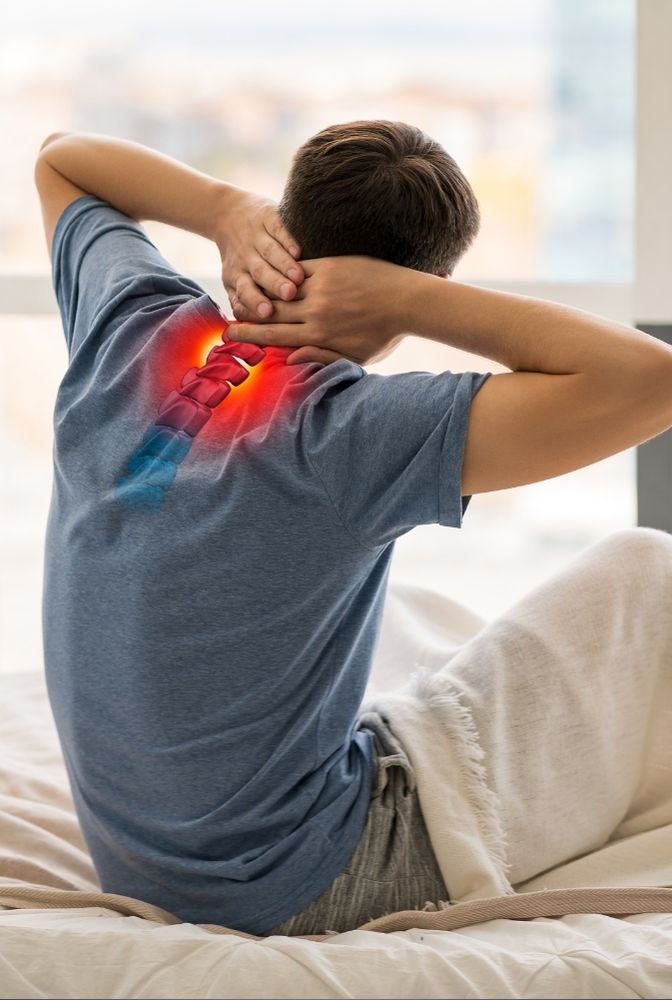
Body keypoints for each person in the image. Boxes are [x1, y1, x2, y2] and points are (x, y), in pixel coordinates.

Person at [34, 120, 672, 938]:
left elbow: (62, 159)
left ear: (286, 221)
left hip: (137, 853)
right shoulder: (351, 432)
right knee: (645, 568)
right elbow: (651, 380)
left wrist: (227, 211)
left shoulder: (132, 326)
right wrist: (411, 299)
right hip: (292, 880)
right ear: (433, 277)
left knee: (408, 613)